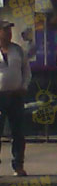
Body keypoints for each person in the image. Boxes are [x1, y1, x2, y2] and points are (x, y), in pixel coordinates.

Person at [0, 20, 30, 176]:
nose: (8, 33)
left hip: (16, 95)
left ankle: (18, 164)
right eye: (4, 30)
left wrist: (24, 87)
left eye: (9, 31)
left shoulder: (18, 50)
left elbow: (26, 71)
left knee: (17, 131)